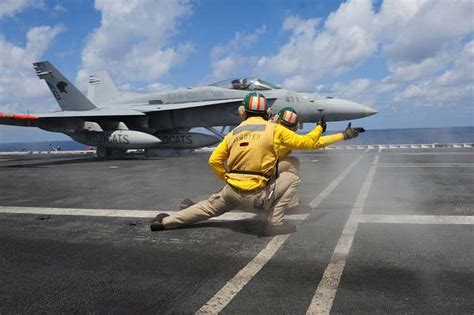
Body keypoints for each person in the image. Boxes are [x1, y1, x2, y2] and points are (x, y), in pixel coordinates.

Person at [150, 91, 327, 236]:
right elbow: (308, 143)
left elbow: (214, 161)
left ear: (243, 112)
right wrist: (320, 128)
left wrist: (227, 178)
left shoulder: (234, 133)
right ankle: (275, 223)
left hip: (231, 191)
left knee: (207, 208)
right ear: (267, 112)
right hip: (257, 194)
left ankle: (164, 222)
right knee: (291, 177)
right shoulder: (275, 129)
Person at [273, 107, 364, 210]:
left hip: (256, 169)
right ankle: (287, 205)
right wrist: (323, 129)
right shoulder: (282, 134)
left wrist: (343, 135)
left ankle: (279, 197)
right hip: (264, 172)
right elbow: (312, 143)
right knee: (293, 163)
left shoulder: (267, 128)